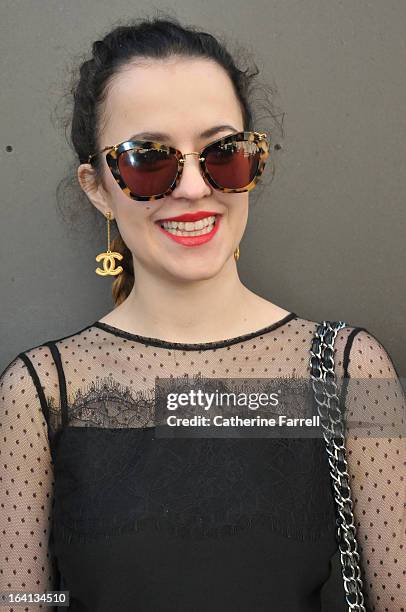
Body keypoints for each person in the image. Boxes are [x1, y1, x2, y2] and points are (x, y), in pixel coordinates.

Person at [0, 15, 404, 612]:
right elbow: (27, 599)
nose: (193, 188)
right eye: (149, 159)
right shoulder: (39, 393)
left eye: (223, 153)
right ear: (97, 186)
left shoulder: (351, 372)